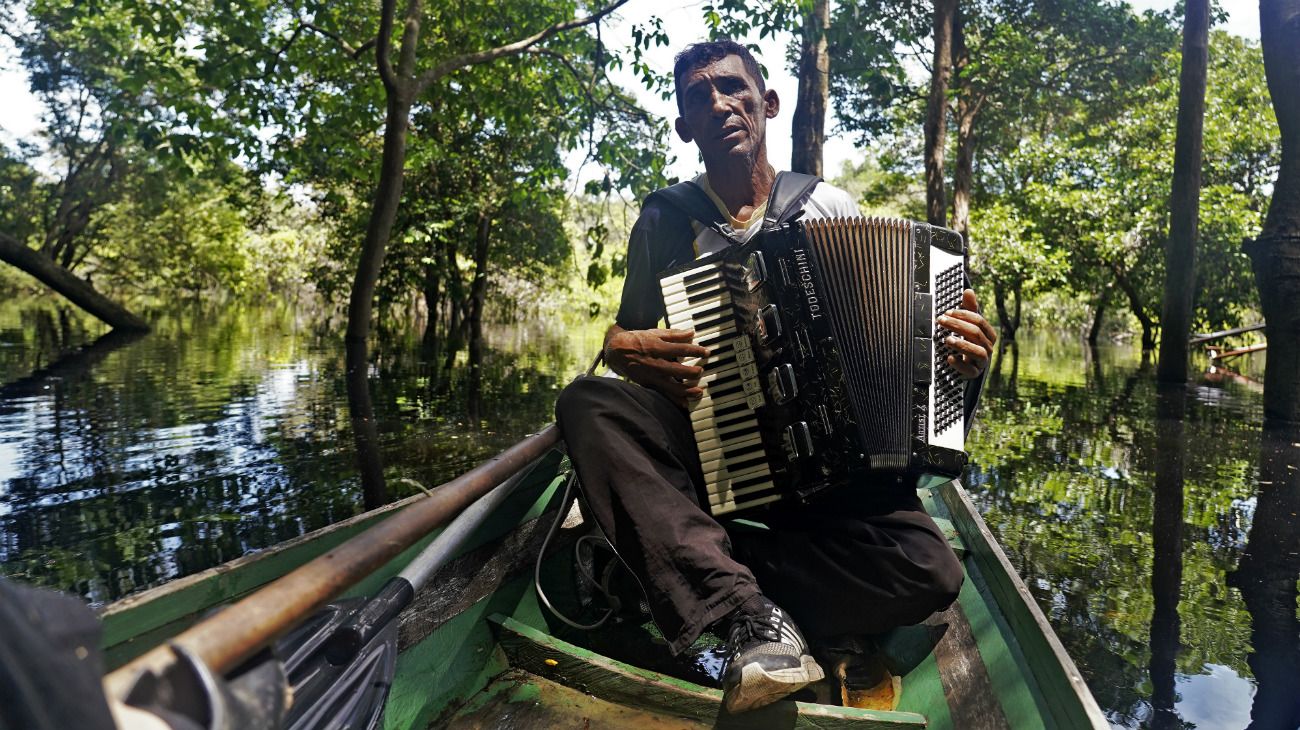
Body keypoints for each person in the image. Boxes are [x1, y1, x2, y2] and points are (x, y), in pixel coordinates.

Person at [555, 40, 997, 714]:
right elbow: (629, 339)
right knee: (587, 404)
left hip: (832, 474)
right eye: (696, 97)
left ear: (767, 103)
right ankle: (745, 613)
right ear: (684, 127)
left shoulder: (829, 206)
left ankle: (679, 571)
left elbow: (904, 374)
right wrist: (618, 348)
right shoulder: (665, 222)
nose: (717, 104)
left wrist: (961, 366)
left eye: (731, 88)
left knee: (931, 572)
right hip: (712, 455)